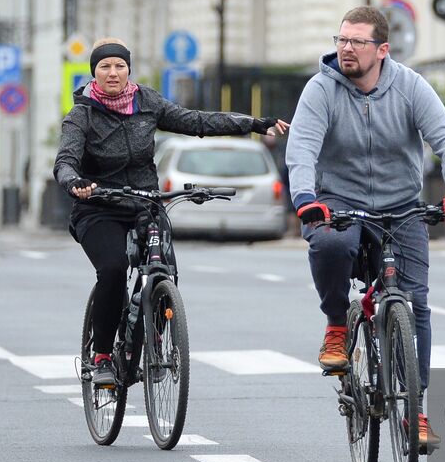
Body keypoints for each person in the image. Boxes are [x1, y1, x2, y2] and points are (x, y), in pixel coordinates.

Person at [286, 6, 445, 451]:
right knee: (331, 246)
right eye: (341, 40)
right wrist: (306, 199)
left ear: (382, 50)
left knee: (417, 301)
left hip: (401, 205)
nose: (346, 49)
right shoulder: (321, 90)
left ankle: (415, 410)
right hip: (338, 201)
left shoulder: (409, 86)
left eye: (357, 42)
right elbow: (303, 149)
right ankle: (336, 323)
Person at [53, 38, 288, 388]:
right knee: (114, 271)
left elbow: (196, 122)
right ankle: (102, 355)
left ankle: (152, 343)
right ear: (94, 73)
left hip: (145, 203)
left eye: (119, 66)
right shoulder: (81, 114)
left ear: (128, 69)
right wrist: (74, 182)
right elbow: (65, 160)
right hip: (99, 207)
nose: (113, 73)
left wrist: (254, 124)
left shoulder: (146, 101)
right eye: (105, 67)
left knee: (164, 269)